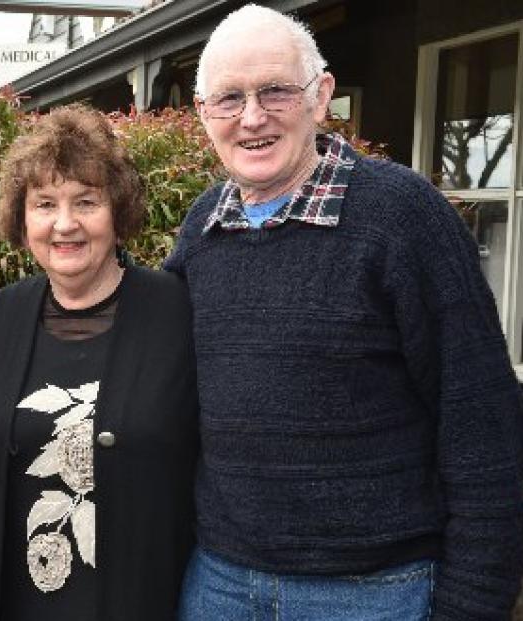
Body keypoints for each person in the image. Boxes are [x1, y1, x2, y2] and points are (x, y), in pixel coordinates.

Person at [165, 5, 523, 620]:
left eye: (275, 90)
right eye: (228, 99)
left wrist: (472, 602)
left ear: (321, 95)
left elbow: (482, 424)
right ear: (204, 114)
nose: (252, 117)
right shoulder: (203, 228)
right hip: (219, 584)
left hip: (374, 593)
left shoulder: (404, 218)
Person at [0, 105, 199, 621]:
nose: (65, 224)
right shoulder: (6, 314)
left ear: (117, 211)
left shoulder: (175, 310)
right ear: (22, 217)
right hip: (23, 601)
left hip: (140, 599)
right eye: (44, 203)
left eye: (86, 201)